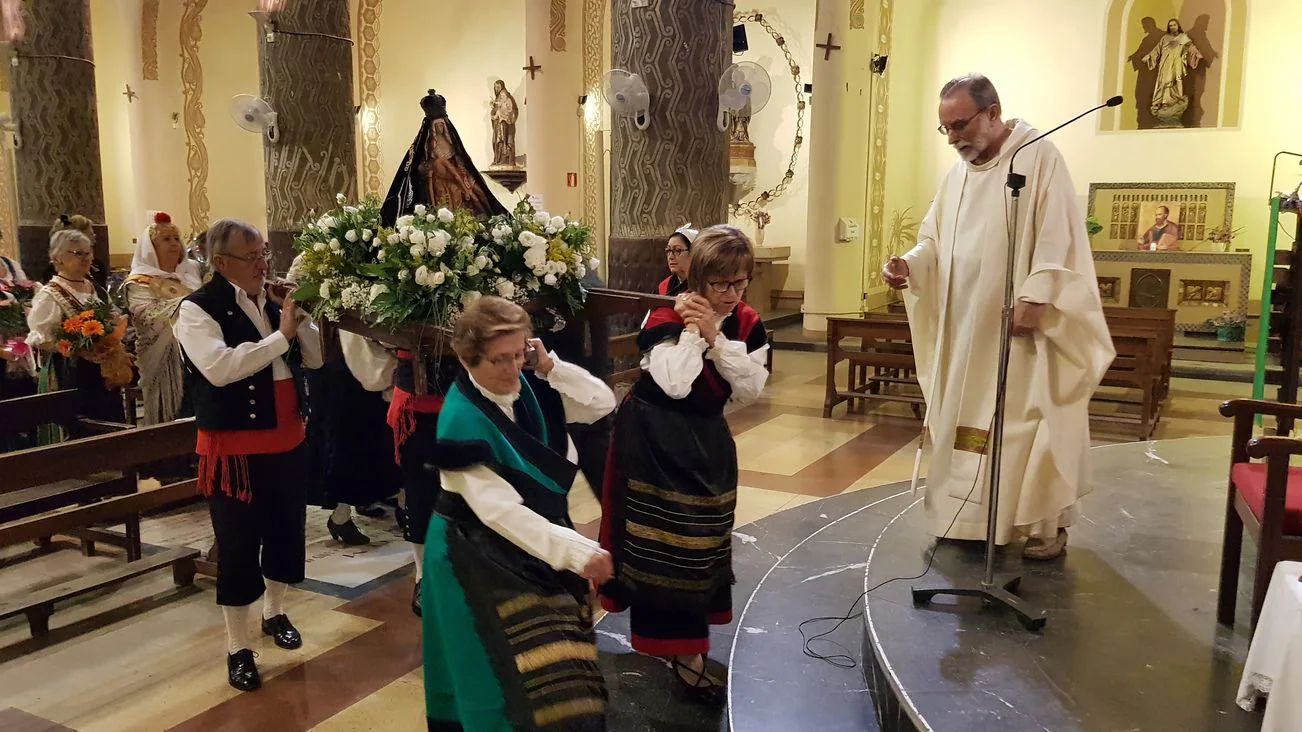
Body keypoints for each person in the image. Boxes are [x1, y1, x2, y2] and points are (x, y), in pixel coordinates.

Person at [881, 74, 1114, 560]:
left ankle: (1043, 525)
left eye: (960, 125)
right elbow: (935, 240)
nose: (953, 138)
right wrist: (911, 264)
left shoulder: (1038, 158)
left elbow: (1061, 235)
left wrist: (1037, 293)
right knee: (965, 418)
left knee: (1030, 419)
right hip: (966, 329)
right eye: (944, 129)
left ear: (993, 112)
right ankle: (964, 518)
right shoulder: (958, 175)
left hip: (1022, 327)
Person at [421, 296, 615, 730]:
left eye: (518, 354)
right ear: (466, 358)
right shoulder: (461, 418)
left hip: (531, 540)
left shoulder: (532, 385)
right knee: (494, 677)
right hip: (473, 554)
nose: (512, 370)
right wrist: (578, 552)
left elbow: (602, 402)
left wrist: (549, 367)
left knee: (557, 668)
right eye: (499, 360)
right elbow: (498, 511)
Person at [600, 225, 770, 703]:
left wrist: (718, 336)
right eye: (721, 284)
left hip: (706, 443)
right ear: (698, 279)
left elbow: (752, 387)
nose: (733, 294)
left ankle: (688, 646)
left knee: (704, 541)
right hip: (653, 440)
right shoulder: (664, 315)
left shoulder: (746, 320)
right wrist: (696, 331)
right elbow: (673, 382)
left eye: (741, 282)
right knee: (662, 546)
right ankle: (679, 652)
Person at [173, 218, 323, 692]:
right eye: (252, 256)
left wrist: (302, 318)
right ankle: (238, 647)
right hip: (234, 449)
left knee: (285, 535)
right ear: (220, 263)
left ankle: (274, 612)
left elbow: (315, 360)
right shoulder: (196, 310)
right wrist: (280, 335)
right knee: (238, 549)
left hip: (288, 438)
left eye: (264, 255)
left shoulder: (274, 299)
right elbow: (219, 369)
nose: (263, 264)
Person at [25, 229, 128, 423]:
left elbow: (111, 317)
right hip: (71, 372)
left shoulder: (94, 288)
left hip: (104, 369)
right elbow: (39, 336)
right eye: (77, 253)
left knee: (112, 423)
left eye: (87, 252)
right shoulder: (50, 293)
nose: (85, 258)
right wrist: (73, 346)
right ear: (58, 258)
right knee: (83, 427)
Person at [125, 212, 204, 425]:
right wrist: (193, 304)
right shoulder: (139, 281)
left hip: (199, 354)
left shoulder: (192, 274)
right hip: (163, 356)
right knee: (171, 410)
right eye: (166, 239)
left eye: (177, 239)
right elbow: (147, 314)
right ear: (150, 248)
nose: (174, 244)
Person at [658, 226, 698, 297]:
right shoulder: (664, 286)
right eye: (668, 251)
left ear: (693, 253)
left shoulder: (703, 288)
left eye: (677, 250)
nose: (670, 257)